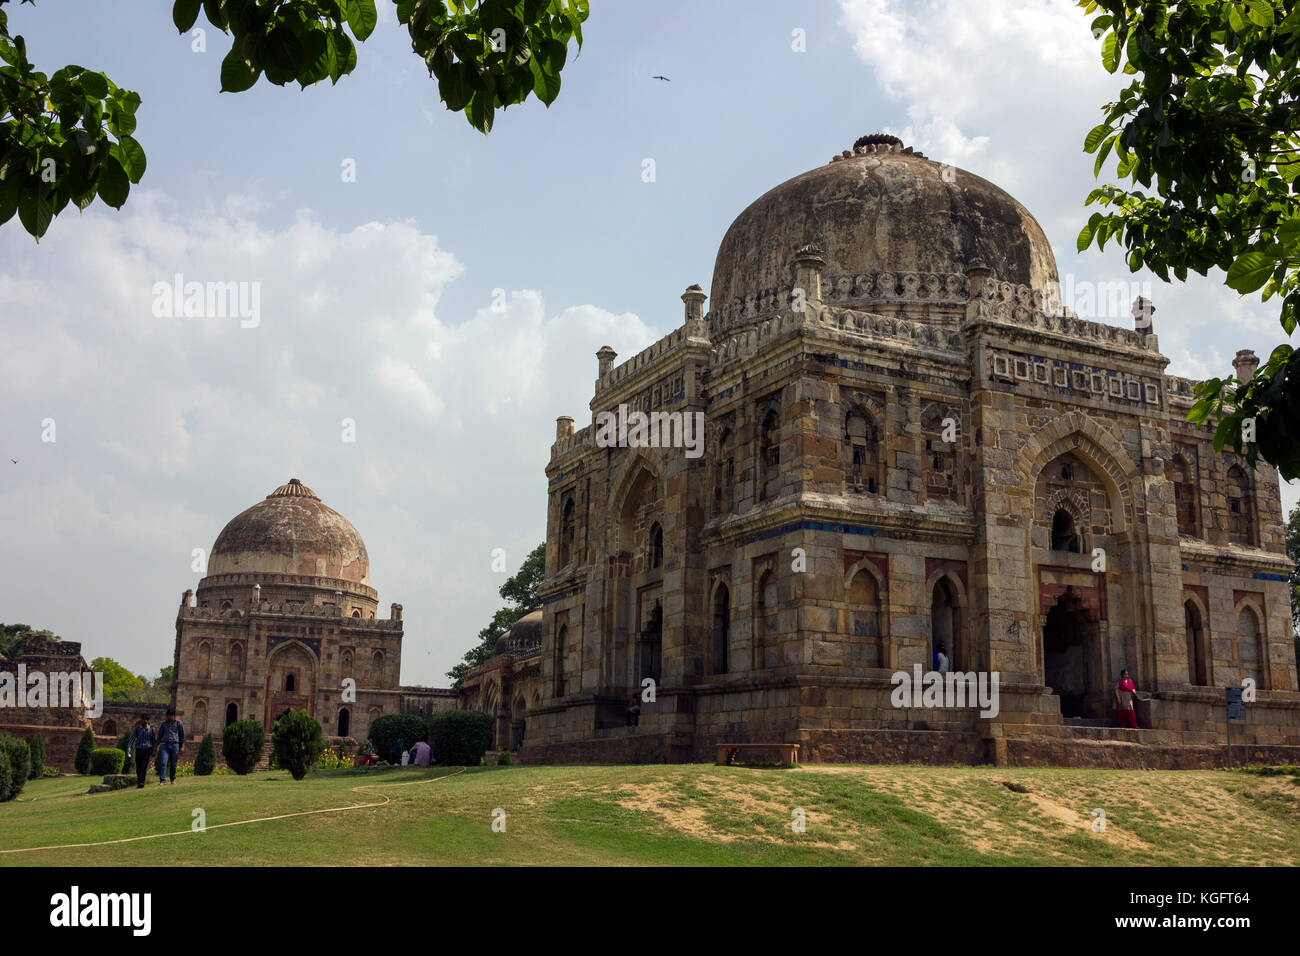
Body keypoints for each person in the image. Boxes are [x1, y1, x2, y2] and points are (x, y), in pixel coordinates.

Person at [127, 714, 157, 789]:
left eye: (145, 720)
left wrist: (154, 750)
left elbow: (153, 741)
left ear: (148, 721)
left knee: (144, 766)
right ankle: (139, 780)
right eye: (143, 719)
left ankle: (141, 782)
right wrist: (129, 748)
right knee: (139, 767)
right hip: (139, 749)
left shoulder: (151, 729)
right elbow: (132, 738)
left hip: (147, 749)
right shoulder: (137, 729)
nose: (144, 721)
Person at [157, 707, 185, 785]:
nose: (169, 717)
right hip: (165, 745)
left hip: (175, 745)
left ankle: (172, 779)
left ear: (174, 716)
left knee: (173, 763)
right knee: (163, 762)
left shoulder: (178, 723)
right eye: (168, 716)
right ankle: (162, 780)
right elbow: (159, 736)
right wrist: (157, 746)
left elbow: (182, 736)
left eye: (171, 716)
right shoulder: (164, 724)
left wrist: (182, 747)